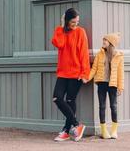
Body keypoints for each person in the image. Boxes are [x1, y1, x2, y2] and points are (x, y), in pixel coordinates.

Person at [51, 8, 90, 142]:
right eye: (73, 22)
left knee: (70, 101)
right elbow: (59, 43)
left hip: (76, 73)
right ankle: (77, 125)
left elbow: (84, 53)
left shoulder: (80, 32)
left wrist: (85, 73)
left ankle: (66, 131)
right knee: (57, 98)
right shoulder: (60, 30)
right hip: (63, 72)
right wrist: (62, 28)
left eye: (77, 22)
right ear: (67, 21)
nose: (75, 24)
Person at [86, 32, 124, 139]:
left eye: (105, 40)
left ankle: (114, 130)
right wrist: (87, 78)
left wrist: (120, 87)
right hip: (101, 83)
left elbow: (120, 73)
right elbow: (94, 69)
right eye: (103, 40)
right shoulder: (99, 54)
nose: (103, 42)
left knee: (113, 107)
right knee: (102, 106)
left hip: (113, 85)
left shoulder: (119, 56)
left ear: (111, 43)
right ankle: (103, 130)